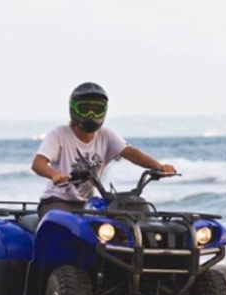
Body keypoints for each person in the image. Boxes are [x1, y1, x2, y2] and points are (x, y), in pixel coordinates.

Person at [31, 82, 176, 217]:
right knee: (61, 222)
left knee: (134, 213)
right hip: (58, 201)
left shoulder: (106, 135)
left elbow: (131, 153)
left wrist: (158, 166)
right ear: (73, 110)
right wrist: (55, 174)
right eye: (85, 110)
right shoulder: (59, 134)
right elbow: (38, 164)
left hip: (90, 202)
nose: (91, 115)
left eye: (97, 110)